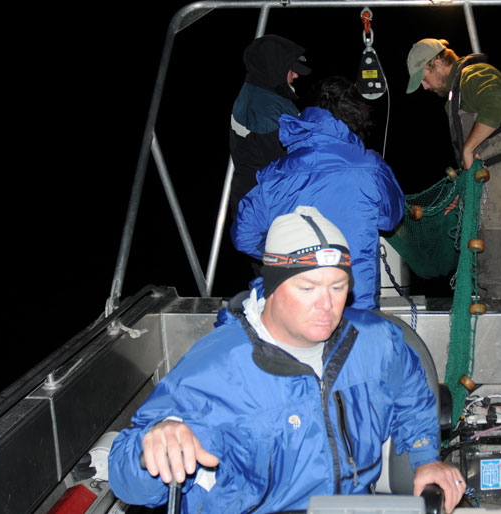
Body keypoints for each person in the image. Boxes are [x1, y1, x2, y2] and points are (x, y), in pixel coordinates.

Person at [108, 206, 465, 513]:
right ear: (274, 287)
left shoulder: (376, 339)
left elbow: (412, 392)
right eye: (308, 288)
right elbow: (129, 482)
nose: (327, 304)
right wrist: (152, 444)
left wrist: (425, 458)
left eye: (338, 286)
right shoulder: (214, 370)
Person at [233, 76, 404, 311]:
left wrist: (283, 256)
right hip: (352, 305)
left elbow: (244, 236)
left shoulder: (275, 172)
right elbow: (391, 218)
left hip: (292, 307)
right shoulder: (371, 166)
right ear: (355, 115)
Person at [406, 38, 501, 299]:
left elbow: (498, 101)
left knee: (495, 278)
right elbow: (477, 155)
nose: (424, 87)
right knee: (479, 278)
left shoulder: (474, 74)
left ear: (436, 63)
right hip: (489, 181)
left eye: (423, 78)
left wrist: (467, 149)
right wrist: (462, 192)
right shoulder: (455, 94)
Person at [228, 34, 311, 223]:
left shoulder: (262, 91)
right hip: (265, 208)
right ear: (275, 69)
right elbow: (290, 163)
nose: (296, 75)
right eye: (292, 70)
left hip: (266, 200)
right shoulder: (263, 107)